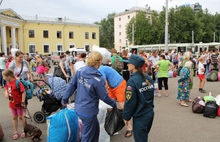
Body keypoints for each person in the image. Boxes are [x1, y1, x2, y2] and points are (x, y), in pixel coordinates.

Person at [62, 51, 117, 142]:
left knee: (95, 131)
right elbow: (104, 96)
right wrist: (114, 104)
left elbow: (72, 85)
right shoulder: (97, 78)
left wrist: (64, 99)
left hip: (80, 107)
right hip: (88, 111)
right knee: (87, 137)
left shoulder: (80, 71)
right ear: (99, 61)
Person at [123, 54, 154, 142]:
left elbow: (130, 101)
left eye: (129, 63)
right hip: (149, 113)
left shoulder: (132, 81)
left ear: (134, 66)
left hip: (140, 116)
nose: (127, 65)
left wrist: (126, 116)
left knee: (140, 139)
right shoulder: (148, 78)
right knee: (143, 137)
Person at [98, 65, 132, 138]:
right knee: (109, 106)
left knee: (122, 107)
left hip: (119, 85)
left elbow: (105, 84)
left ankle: (129, 127)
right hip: (112, 87)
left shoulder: (100, 69)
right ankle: (113, 125)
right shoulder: (98, 69)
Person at [3, 69, 26, 140]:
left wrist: (22, 101)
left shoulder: (17, 82)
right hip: (12, 104)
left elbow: (23, 92)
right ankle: (15, 131)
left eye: (4, 76)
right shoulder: (7, 84)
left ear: (8, 76)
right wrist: (6, 94)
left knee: (21, 117)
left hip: (19, 104)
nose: (3, 78)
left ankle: (24, 130)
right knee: (14, 118)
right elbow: (6, 92)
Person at [9, 51, 31, 118]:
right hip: (16, 83)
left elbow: (28, 71)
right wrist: (15, 78)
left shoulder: (25, 62)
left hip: (25, 82)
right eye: (20, 57)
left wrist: (30, 78)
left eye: (22, 57)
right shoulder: (12, 64)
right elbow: (9, 73)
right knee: (16, 98)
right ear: (16, 57)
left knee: (25, 98)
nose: (21, 58)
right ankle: (16, 113)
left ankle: (24, 113)